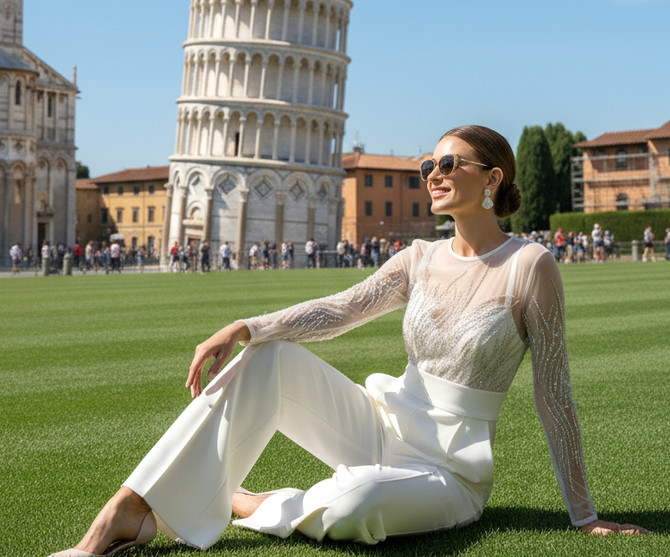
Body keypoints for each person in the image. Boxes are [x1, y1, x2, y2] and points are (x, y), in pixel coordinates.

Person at [47, 125, 650, 556]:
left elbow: (554, 393)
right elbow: (341, 310)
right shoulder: (418, 257)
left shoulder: (531, 265)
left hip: (449, 472)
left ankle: (245, 502)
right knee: (271, 356)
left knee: (355, 502)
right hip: (379, 427)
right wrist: (246, 327)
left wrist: (584, 515)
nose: (433, 176)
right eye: (427, 167)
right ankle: (124, 512)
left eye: (449, 164)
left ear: (493, 178)